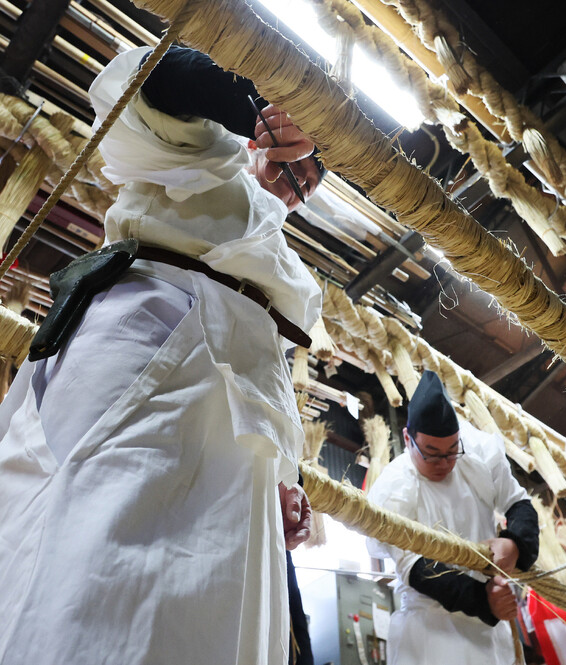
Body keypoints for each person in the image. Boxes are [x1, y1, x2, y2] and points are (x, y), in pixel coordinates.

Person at [0, 46, 322, 665]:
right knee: (96, 564)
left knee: (198, 616)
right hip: (146, 349)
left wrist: (284, 478)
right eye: (296, 166)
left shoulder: (269, 250)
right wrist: (253, 108)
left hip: (220, 422)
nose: (295, 185)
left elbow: (260, 376)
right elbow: (157, 77)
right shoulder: (194, 155)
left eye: (307, 182)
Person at [366, 371, 539, 665]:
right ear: (408, 439)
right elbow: (416, 568)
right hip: (431, 631)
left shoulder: (477, 453)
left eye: (451, 452)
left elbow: (519, 503)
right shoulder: (394, 488)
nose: (445, 464)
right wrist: (484, 599)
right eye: (431, 454)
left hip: (492, 627)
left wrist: (515, 545)